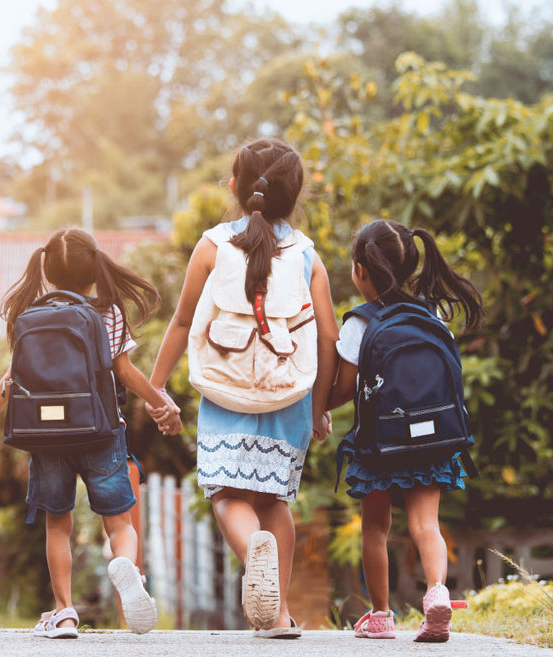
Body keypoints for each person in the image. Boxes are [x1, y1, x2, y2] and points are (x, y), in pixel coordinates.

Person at [148, 138, 339, 638]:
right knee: (274, 500)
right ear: (294, 196)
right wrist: (319, 409)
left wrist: (155, 389)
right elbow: (328, 337)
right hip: (289, 395)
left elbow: (182, 320)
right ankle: (277, 617)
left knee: (227, 495)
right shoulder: (306, 256)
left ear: (234, 186)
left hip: (225, 391)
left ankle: (256, 556)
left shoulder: (212, 245)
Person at [0, 227, 181, 639]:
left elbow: (12, 378)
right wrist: (159, 401)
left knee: (58, 525)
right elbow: (124, 372)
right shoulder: (106, 311)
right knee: (119, 524)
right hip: (101, 432)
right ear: (94, 267)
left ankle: (64, 614)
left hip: (48, 438)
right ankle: (128, 569)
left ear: (48, 272)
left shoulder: (30, 314)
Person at [326, 219, 484, 642]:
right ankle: (436, 593)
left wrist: (317, 408)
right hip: (432, 439)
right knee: (425, 524)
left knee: (376, 528)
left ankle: (380, 615)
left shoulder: (359, 323)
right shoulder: (432, 315)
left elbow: (342, 390)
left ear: (361, 269)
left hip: (380, 442)